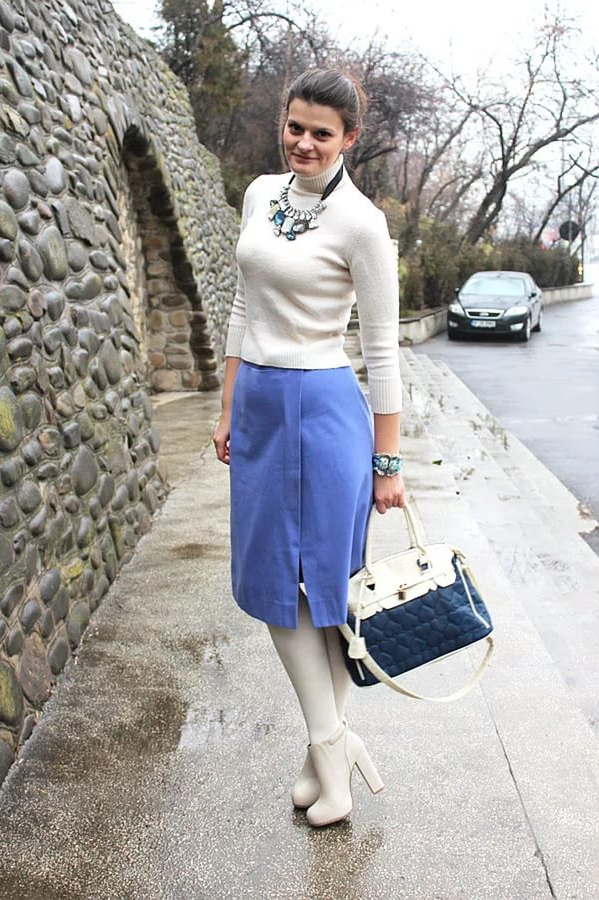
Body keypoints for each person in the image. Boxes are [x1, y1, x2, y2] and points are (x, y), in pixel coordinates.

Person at [213, 68, 405, 827]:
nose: (303, 142)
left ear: (349, 138)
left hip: (322, 410)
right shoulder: (261, 194)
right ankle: (332, 749)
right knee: (274, 582)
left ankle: (328, 749)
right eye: (295, 126)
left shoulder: (362, 224)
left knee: (318, 590)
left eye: (322, 133)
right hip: (260, 406)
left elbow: (382, 350)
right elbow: (241, 303)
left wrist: (388, 462)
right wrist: (228, 403)